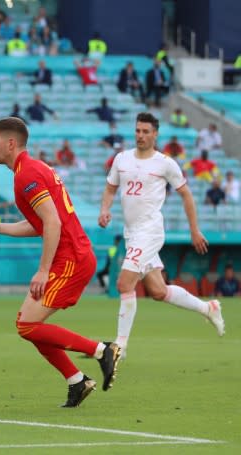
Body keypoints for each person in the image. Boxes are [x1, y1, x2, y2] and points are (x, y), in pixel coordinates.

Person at [0, 117, 120, 408]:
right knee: (27, 324)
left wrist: (42, 270)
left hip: (71, 258)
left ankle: (102, 350)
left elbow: (52, 222)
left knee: (27, 326)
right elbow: (39, 224)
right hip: (70, 255)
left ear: (11, 143)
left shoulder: (27, 174)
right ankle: (77, 381)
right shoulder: (32, 170)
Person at [98, 112, 225, 358]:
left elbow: (187, 195)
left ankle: (120, 346)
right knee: (158, 291)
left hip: (151, 231)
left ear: (155, 134)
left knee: (124, 283)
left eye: (146, 132)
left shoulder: (165, 163)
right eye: (138, 131)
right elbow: (110, 188)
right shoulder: (121, 159)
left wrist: (194, 230)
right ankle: (208, 308)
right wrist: (105, 209)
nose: (141, 136)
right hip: (132, 233)